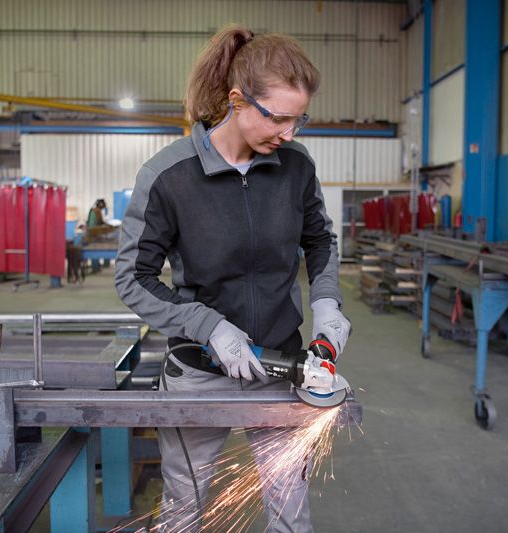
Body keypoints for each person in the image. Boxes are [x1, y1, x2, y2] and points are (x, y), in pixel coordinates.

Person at [115, 24, 351, 533]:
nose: (289, 133)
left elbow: (320, 241)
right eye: (279, 118)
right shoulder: (168, 175)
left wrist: (328, 304)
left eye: (299, 119)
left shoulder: (295, 166)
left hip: (283, 365)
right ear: (238, 100)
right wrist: (208, 325)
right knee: (186, 508)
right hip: (198, 371)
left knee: (292, 514)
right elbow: (132, 277)